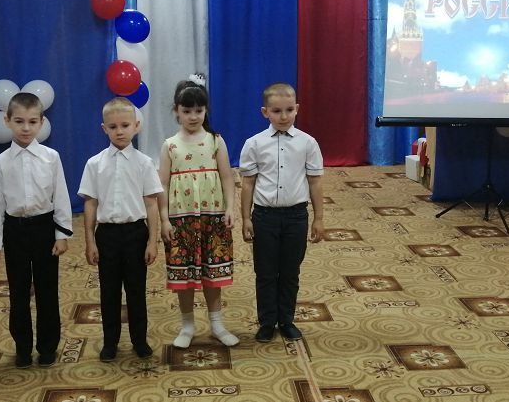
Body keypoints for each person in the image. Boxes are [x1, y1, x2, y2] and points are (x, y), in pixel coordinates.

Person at [0, 92, 73, 369]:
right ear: (7, 121)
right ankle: (22, 348)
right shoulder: (0, 162)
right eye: (19, 121)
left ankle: (47, 347)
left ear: (41, 123)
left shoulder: (51, 157)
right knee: (18, 292)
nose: (26, 128)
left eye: (32, 122)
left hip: (44, 228)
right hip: (15, 231)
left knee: (48, 290)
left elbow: (61, 196)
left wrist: (62, 234)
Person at [239, 82, 324, 343]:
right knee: (265, 272)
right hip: (264, 217)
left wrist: (319, 218)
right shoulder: (254, 143)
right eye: (276, 111)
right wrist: (246, 218)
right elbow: (248, 183)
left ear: (297, 108)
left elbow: (315, 182)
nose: (284, 116)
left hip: (296, 217)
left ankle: (286, 320)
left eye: (289, 110)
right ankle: (267, 322)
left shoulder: (308, 143)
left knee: (290, 271)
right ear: (265, 112)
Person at [78, 97, 162, 362]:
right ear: (104, 129)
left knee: (136, 290)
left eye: (125, 125)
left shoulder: (144, 163)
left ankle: (139, 340)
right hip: (107, 235)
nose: (120, 131)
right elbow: (91, 204)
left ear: (136, 125)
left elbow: (151, 204)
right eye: (113, 127)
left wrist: (152, 241)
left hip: (136, 234)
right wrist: (90, 241)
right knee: (109, 292)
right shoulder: (94, 164)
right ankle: (110, 342)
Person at [158, 75, 239, 349]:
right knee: (184, 274)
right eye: (187, 111)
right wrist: (164, 219)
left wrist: (230, 208)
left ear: (206, 110)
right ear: (176, 111)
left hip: (213, 218)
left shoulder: (216, 141)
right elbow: (162, 185)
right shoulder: (170, 145)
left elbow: (227, 177)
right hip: (181, 220)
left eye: (198, 110)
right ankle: (187, 326)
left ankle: (217, 324)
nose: (193, 116)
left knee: (213, 272)